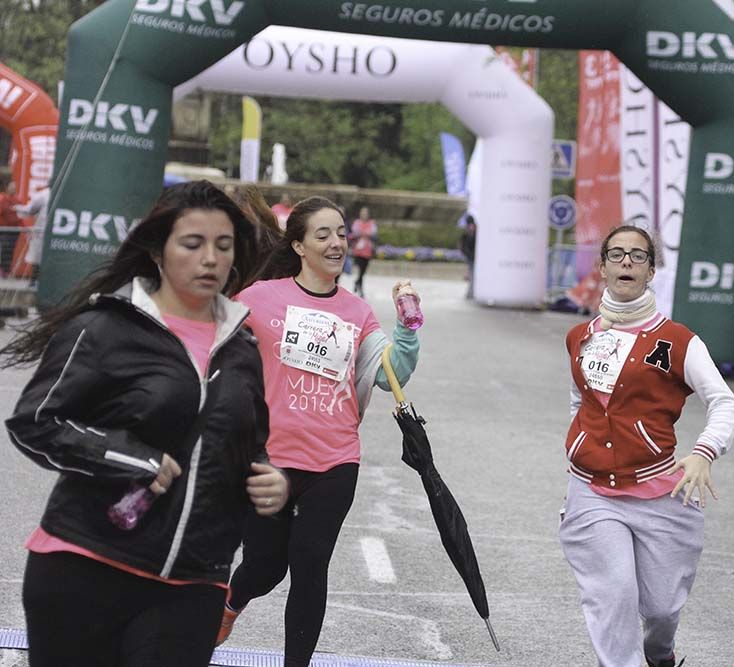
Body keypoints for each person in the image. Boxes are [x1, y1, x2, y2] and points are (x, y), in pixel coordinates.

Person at [2, 180, 289, 667]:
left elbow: (249, 444)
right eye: (192, 244)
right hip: (87, 565)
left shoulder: (241, 345)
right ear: (158, 251)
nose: (210, 259)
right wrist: (128, 457)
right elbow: (35, 422)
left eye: (223, 246)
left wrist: (270, 481)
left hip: (194, 583)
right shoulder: (106, 327)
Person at [215, 196, 420, 667]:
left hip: (335, 459)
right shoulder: (259, 297)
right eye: (323, 234)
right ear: (299, 246)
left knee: (310, 567)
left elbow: (393, 374)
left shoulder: (357, 312)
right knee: (266, 568)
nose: (337, 243)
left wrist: (408, 328)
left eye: (342, 234)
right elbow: (209, 343)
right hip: (268, 459)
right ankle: (230, 602)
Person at [559, 225, 734, 667]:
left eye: (637, 256)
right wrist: (585, 441)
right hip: (593, 491)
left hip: (661, 493)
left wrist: (703, 452)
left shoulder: (678, 341)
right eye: (616, 254)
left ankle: (660, 655)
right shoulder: (580, 336)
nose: (626, 262)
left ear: (651, 271)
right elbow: (579, 397)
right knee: (613, 595)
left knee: (660, 610)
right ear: (601, 267)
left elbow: (724, 402)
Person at [349, 205, 377, 298]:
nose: (364, 215)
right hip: (358, 251)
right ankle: (360, 289)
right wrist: (364, 233)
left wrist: (363, 233)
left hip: (367, 251)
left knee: (363, 272)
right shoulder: (357, 222)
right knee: (360, 270)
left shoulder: (372, 223)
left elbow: (373, 233)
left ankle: (357, 282)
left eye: (366, 213)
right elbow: (355, 232)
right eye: (362, 213)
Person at [0, 179, 23, 276]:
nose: (14, 188)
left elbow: (21, 216)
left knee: (9, 251)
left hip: (14, 231)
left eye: (15, 187)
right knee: (4, 249)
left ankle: (5, 270)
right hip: (3, 230)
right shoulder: (2, 199)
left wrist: (24, 227)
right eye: (12, 186)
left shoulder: (17, 200)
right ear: (7, 188)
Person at [459, 214, 476, 299]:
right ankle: (470, 293)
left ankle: (471, 293)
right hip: (470, 258)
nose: (470, 227)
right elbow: (463, 247)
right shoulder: (466, 234)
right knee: (472, 275)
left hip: (475, 258)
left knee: (473, 275)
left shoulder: (476, 233)